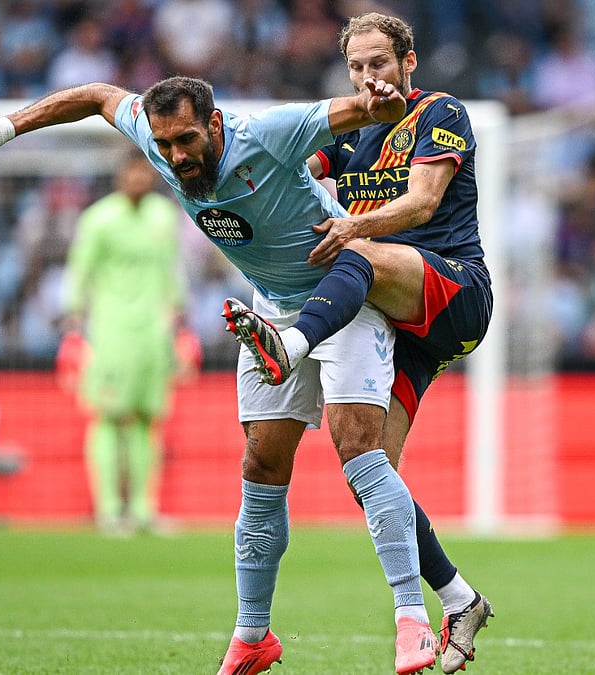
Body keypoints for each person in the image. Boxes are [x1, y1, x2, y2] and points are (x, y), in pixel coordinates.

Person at [0, 75, 441, 674]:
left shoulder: (267, 134)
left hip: (345, 295)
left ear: (214, 124)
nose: (176, 156)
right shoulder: (153, 136)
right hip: (270, 308)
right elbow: (95, 96)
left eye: (187, 140)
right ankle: (252, 636)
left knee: (359, 450)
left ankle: (412, 619)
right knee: (262, 467)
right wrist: (10, 126)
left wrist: (379, 101)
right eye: (164, 145)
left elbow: (350, 112)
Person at [222, 12, 495, 673]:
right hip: (399, 323)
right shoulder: (352, 133)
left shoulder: (441, 113)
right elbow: (289, 165)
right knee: (371, 471)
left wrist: (349, 227)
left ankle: (291, 344)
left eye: (380, 63)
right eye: (357, 67)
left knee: (363, 251)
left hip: (451, 293)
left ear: (409, 62)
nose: (369, 76)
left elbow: (424, 202)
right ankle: (461, 598)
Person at [61, 152, 184, 535]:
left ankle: (144, 510)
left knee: (149, 420)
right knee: (110, 416)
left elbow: (172, 270)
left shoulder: (164, 217)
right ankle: (110, 510)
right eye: (132, 170)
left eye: (144, 171)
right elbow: (79, 272)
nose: (138, 177)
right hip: (111, 332)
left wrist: (180, 322)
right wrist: (74, 328)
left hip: (154, 332)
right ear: (120, 174)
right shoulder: (99, 220)